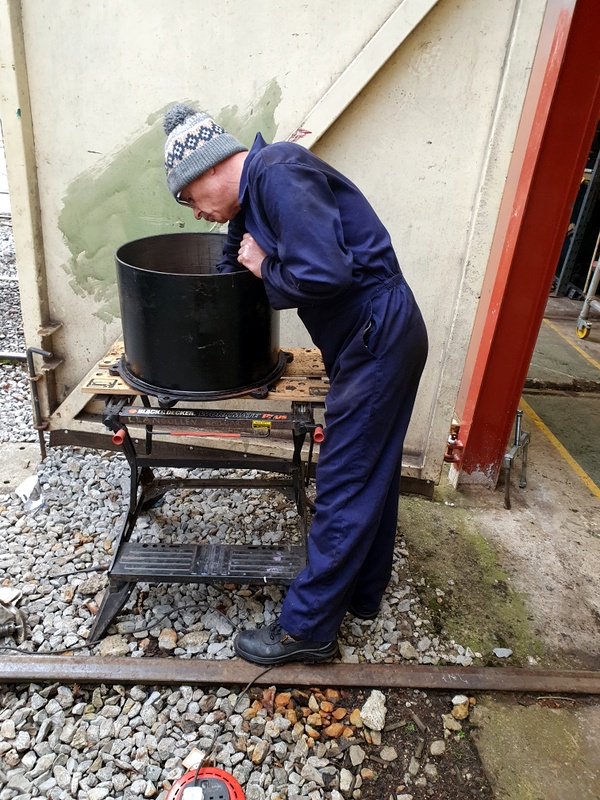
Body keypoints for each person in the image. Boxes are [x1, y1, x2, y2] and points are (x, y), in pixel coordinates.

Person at [163, 104, 428, 666]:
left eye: (186, 199)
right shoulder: (256, 196)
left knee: (344, 478)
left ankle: (307, 630)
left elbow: (323, 272)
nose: (193, 214)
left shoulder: (277, 170)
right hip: (378, 333)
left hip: (376, 335)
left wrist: (264, 268)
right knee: (371, 471)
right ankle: (362, 594)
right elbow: (254, 260)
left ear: (206, 170)